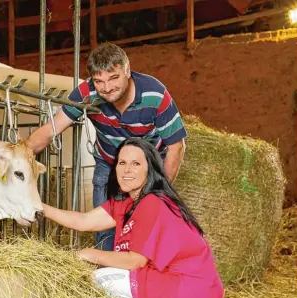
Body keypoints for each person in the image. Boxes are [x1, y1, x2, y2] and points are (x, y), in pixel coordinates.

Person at [41, 138, 225, 298]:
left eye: (136, 164)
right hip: (172, 284)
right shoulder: (127, 202)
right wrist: (38, 208)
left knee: (101, 280)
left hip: (188, 290)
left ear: (150, 169)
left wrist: (88, 254)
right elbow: (83, 221)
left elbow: (134, 261)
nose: (127, 170)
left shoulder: (153, 202)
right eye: (122, 163)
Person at [27, 43, 187, 251]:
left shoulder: (154, 95)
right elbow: (51, 130)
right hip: (108, 161)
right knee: (103, 228)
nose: (107, 88)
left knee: (142, 223)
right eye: (99, 81)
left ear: (127, 71)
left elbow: (176, 145)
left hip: (144, 166)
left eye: (113, 78)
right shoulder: (87, 93)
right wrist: (20, 153)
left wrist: (158, 191)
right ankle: (107, 273)